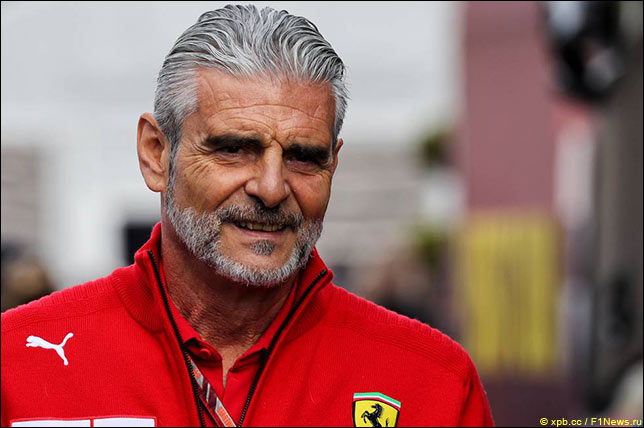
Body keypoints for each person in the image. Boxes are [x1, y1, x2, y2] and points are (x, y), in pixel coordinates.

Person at [1, 5, 493, 427]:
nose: (272, 188)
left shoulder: (433, 385)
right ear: (155, 154)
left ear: (333, 164)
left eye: (304, 157)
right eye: (234, 149)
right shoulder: (14, 365)